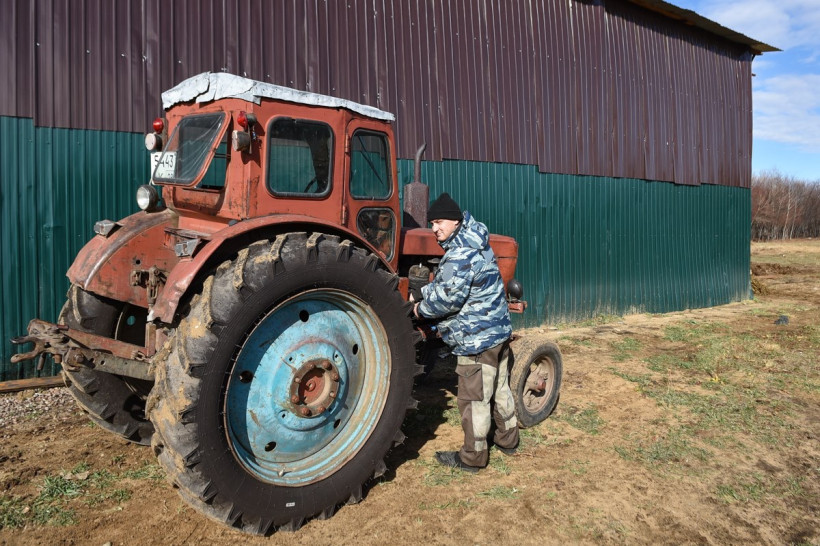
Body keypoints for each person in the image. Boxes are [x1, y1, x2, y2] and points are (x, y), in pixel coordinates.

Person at [413, 192, 519, 472]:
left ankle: (473, 457)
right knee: (500, 389)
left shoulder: (459, 253)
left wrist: (418, 309)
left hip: (476, 338)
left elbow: (446, 300)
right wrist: (426, 291)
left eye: (439, 222)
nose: (434, 229)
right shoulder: (477, 241)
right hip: (498, 330)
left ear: (455, 221)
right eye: (432, 223)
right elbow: (454, 285)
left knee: (474, 400)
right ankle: (508, 440)